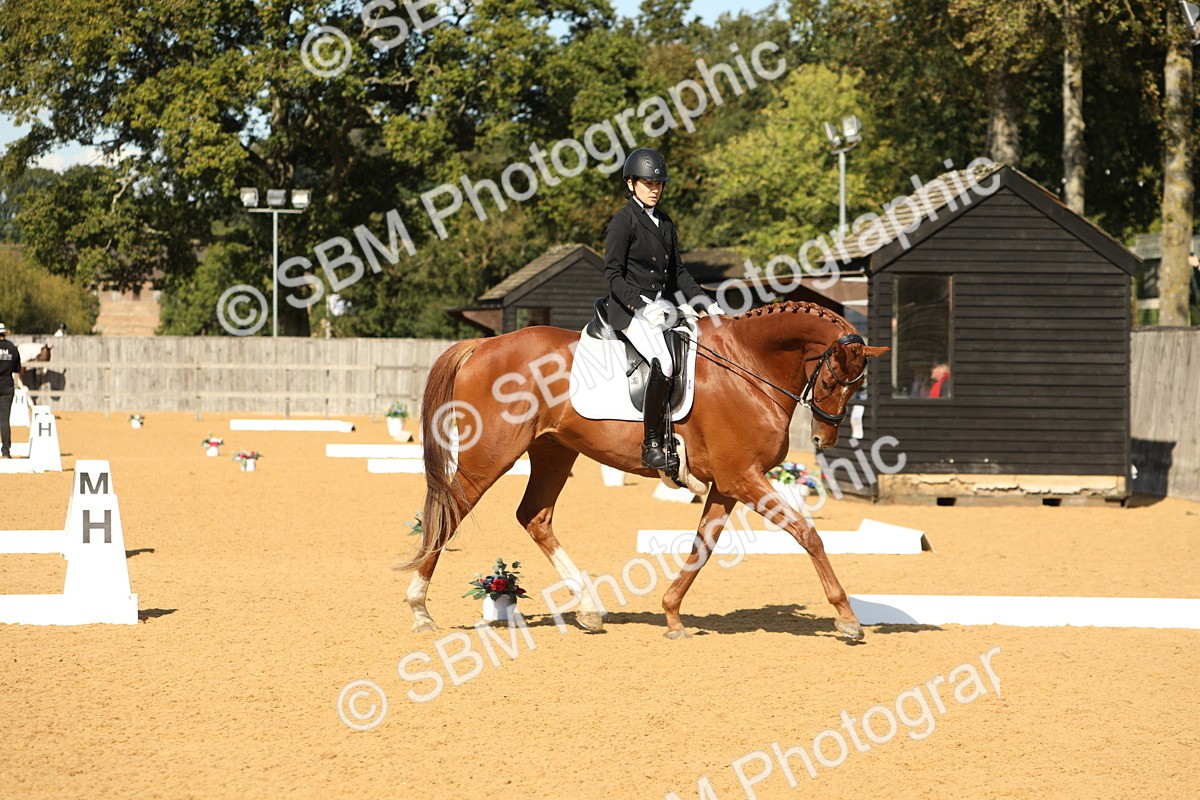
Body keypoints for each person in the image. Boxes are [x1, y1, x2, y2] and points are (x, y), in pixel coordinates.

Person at [603, 147, 723, 470]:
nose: (654, 189)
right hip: (629, 309)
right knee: (665, 363)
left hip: (663, 307)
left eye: (658, 184)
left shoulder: (665, 223)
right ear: (631, 184)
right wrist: (642, 306)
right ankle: (651, 442)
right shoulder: (622, 223)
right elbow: (613, 277)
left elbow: (678, 273)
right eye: (648, 184)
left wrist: (707, 303)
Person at [0, 322, 22, 458]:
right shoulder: (12, 348)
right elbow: (17, 369)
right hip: (7, 385)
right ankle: (6, 451)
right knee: (4, 419)